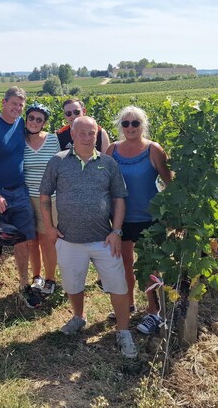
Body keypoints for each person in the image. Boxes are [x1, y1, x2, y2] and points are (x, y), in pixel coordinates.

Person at [40, 116, 138, 359]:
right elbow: (44, 196)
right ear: (72, 135)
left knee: (118, 285)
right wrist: (50, 228)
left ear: (97, 135)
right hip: (69, 239)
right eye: (81, 133)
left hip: (104, 239)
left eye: (91, 133)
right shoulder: (58, 161)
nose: (86, 137)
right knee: (73, 284)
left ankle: (123, 331)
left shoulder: (108, 163)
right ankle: (78, 317)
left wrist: (116, 232)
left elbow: (119, 198)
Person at [105, 106, 173, 334]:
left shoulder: (154, 150)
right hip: (121, 219)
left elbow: (169, 184)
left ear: (143, 125)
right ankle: (129, 304)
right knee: (124, 264)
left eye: (135, 123)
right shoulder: (112, 150)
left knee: (149, 268)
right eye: (126, 123)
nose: (130, 127)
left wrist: (168, 212)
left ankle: (154, 312)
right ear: (120, 126)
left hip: (150, 219)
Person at [0, 86, 41, 310]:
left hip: (19, 190)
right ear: (3, 103)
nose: (17, 108)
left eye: (20, 105)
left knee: (23, 238)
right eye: (13, 104)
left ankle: (24, 284)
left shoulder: (21, 124)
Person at [23, 103, 60, 296]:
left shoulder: (53, 140)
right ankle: (36, 276)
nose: (35, 122)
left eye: (39, 119)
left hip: (49, 198)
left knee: (47, 240)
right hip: (27, 197)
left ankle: (50, 278)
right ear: (26, 119)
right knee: (31, 240)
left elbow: (61, 167)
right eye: (31, 118)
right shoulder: (20, 141)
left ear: (44, 122)